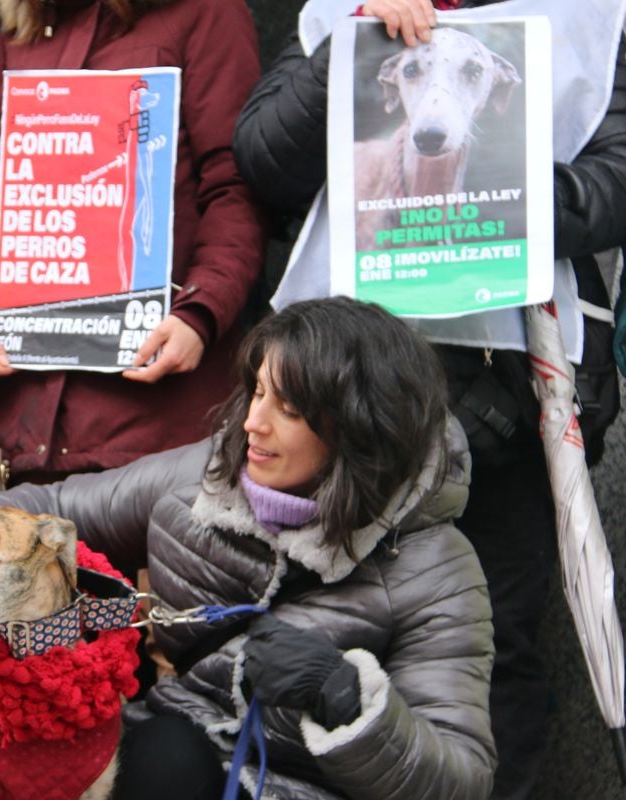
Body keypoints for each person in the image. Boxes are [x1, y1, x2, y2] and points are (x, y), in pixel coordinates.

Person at [231, 1, 626, 796]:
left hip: (507, 402)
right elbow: (263, 160)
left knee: (490, 648)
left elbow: (613, 180)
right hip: (344, 398)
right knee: (323, 636)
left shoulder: (581, 14)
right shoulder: (347, 13)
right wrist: (353, 42)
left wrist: (499, 187)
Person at [0, 296, 495, 800]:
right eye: (257, 392)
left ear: (361, 429)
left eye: (287, 409)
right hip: (180, 752)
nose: (253, 425)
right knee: (154, 756)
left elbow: (461, 779)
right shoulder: (211, 473)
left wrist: (343, 697)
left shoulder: (436, 568)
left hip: (304, 783)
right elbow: (63, 510)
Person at [0, 0, 266, 485]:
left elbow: (236, 188)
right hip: (34, 428)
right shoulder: (21, 31)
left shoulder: (204, 10)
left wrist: (200, 314)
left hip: (159, 425)